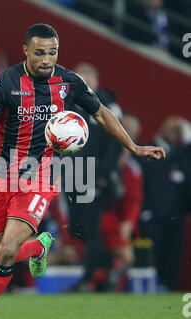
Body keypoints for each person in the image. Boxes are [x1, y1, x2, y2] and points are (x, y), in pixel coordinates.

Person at [0, 23, 165, 319]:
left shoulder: (69, 82)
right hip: (2, 175)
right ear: (25, 50)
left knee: (7, 250)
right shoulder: (6, 83)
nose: (47, 59)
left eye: (52, 52)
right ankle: (38, 248)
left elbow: (101, 113)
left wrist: (133, 146)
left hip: (42, 176)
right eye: (39, 53)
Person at [67, 63, 123, 292]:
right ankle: (107, 265)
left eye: (88, 79)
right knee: (75, 227)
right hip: (73, 174)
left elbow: (116, 143)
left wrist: (103, 174)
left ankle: (89, 278)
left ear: (96, 82)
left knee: (90, 227)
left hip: (96, 176)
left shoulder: (107, 105)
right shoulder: (68, 105)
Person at [139, 116, 191, 290]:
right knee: (155, 255)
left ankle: (169, 288)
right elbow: (143, 184)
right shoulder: (149, 149)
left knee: (173, 256)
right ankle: (154, 289)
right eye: (174, 131)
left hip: (175, 215)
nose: (177, 135)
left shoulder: (180, 154)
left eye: (180, 132)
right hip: (153, 214)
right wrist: (145, 212)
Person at [101, 114, 143, 290]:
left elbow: (134, 200)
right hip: (99, 217)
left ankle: (112, 287)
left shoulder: (132, 170)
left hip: (114, 221)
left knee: (127, 258)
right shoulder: (100, 160)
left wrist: (128, 222)